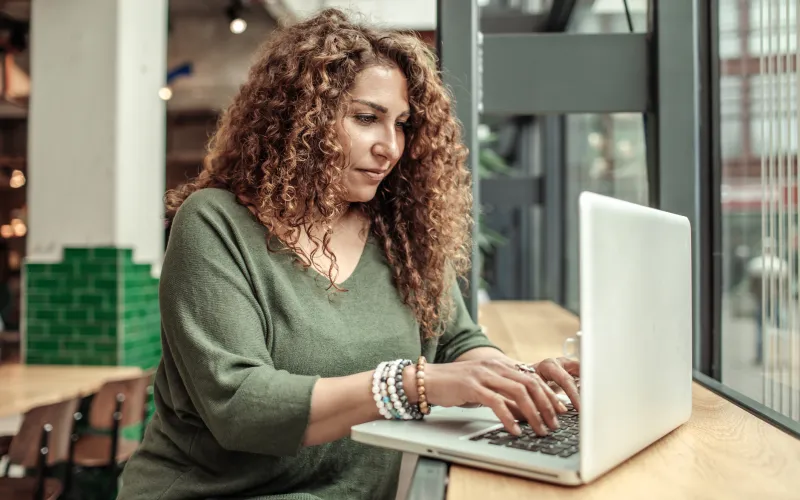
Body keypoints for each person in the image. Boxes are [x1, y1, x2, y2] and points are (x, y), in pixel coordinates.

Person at [117, 9, 580, 500]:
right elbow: (239, 405)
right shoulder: (215, 222)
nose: (390, 147)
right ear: (300, 119)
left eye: (401, 124)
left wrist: (509, 379)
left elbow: (455, 341)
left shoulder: (402, 231)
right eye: (366, 118)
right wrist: (411, 384)